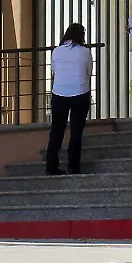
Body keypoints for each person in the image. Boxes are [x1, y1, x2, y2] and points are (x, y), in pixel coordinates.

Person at [46, 23, 94, 175]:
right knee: (76, 131)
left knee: (56, 131)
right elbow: (89, 73)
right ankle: (73, 167)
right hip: (80, 92)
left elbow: (53, 72)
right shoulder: (85, 52)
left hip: (59, 93)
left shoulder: (56, 51)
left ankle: (51, 166)